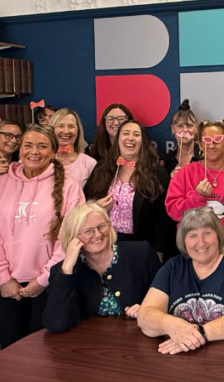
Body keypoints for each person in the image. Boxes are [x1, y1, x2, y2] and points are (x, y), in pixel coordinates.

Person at [0, 124, 85, 348]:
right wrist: (3, 278)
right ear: (19, 150)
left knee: (43, 352)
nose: (34, 151)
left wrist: (43, 279)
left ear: (53, 151)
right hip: (8, 287)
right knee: (8, 351)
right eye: (28, 145)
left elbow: (68, 239)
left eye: (42, 146)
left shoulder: (70, 188)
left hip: (48, 286)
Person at [137, 207, 224, 354]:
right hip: (179, 356)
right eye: (192, 235)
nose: (201, 242)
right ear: (183, 240)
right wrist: (170, 325)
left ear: (218, 235)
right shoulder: (172, 267)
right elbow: (145, 316)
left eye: (207, 233)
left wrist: (200, 334)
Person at [43, 203, 160, 334]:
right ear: (73, 237)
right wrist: (67, 268)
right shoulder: (62, 271)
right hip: (87, 344)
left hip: (138, 339)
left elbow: (168, 300)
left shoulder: (141, 253)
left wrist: (149, 310)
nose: (97, 234)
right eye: (88, 231)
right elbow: (57, 324)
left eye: (101, 227)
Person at [165, 119, 224, 265]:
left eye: (217, 140)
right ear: (200, 145)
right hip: (193, 249)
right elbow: (173, 211)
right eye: (207, 140)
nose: (211, 145)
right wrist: (197, 197)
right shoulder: (185, 173)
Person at [85, 119, 177, 261]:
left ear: (143, 141)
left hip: (141, 246)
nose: (130, 138)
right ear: (118, 139)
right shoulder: (102, 168)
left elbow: (164, 218)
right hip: (105, 244)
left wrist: (159, 250)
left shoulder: (157, 174)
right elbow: (85, 203)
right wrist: (96, 207)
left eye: (136, 134)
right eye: (126, 133)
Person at [49, 108, 97, 186]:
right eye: (60, 126)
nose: (66, 131)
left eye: (71, 126)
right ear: (52, 129)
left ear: (78, 131)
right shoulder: (41, 159)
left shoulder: (89, 163)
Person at [161, 99, 203, 176]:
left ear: (196, 129)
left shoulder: (204, 156)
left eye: (189, 125)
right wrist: (171, 180)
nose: (185, 130)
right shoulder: (167, 160)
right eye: (180, 126)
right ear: (173, 129)